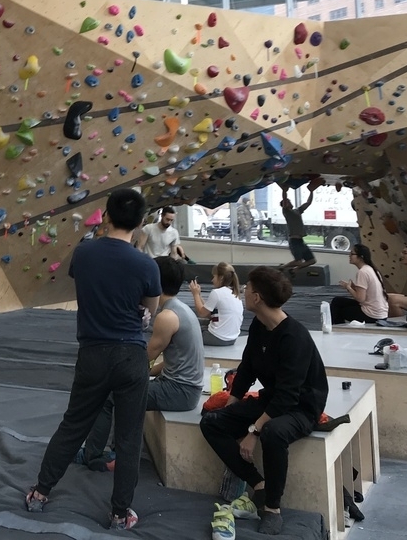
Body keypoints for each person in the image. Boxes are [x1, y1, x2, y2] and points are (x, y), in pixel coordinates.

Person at [23, 189, 160, 531]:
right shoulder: (146, 264)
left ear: (106, 216)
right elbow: (150, 310)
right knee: (129, 438)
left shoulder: (83, 254)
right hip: (130, 356)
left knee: (73, 426)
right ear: (142, 222)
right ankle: (118, 514)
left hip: (93, 354)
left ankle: (40, 493)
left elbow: (86, 287)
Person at [200, 266, 328, 536]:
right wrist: (232, 402)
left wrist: (253, 430)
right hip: (275, 399)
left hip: (302, 406)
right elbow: (247, 368)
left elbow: (289, 396)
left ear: (256, 297)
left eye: (246, 288)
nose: (243, 291)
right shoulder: (260, 325)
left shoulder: (294, 337)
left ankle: (272, 508)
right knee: (212, 423)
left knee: (273, 433)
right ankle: (258, 486)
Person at [78, 255, 205, 468]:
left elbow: (142, 358)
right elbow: (175, 360)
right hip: (183, 387)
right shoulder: (181, 309)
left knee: (110, 395)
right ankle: (115, 452)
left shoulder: (168, 317)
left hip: (181, 391)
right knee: (121, 390)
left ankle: (102, 456)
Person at [330, 244, 389, 325]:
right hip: (381, 313)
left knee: (338, 309)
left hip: (372, 315)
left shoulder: (363, 272)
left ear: (361, 257)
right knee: (337, 301)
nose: (349, 256)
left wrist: (349, 288)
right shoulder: (371, 269)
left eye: (352, 254)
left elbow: (360, 299)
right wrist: (353, 287)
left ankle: (337, 329)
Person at [189, 261, 244, 345]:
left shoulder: (217, 293)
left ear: (221, 278)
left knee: (188, 328)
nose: (212, 280)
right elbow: (209, 312)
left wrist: (195, 294)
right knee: (197, 322)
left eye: (214, 276)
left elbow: (201, 313)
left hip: (218, 338)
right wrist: (199, 295)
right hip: (232, 339)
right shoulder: (234, 293)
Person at [278, 184, 316, 272]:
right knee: (298, 261)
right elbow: (284, 199)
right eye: (288, 202)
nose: (290, 202)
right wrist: (284, 191)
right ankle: (283, 267)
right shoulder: (286, 212)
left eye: (289, 201)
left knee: (312, 260)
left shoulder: (297, 211)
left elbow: (308, 203)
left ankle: (294, 270)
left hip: (300, 241)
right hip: (294, 241)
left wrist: (311, 191)